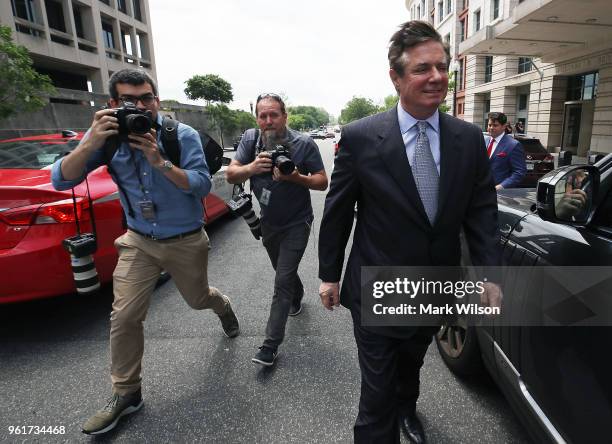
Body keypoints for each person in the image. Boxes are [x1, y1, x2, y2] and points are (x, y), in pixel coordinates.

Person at [317, 21, 502, 443]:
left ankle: (408, 409)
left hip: (435, 286)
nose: (436, 77)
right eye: (422, 69)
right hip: (377, 287)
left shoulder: (468, 139)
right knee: (375, 395)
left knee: (411, 365)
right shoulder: (362, 137)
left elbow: (481, 213)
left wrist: (489, 275)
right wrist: (329, 274)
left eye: (442, 67)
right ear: (396, 78)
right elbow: (338, 210)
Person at [51, 68, 240, 435]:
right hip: (138, 240)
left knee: (198, 298)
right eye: (128, 100)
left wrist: (160, 162)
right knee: (124, 316)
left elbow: (201, 185)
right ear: (113, 104)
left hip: (185, 239)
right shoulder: (106, 138)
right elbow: (61, 179)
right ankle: (127, 393)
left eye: (146, 99)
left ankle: (222, 305)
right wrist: (89, 143)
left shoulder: (178, 135)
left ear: (156, 99)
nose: (139, 106)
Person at [225, 93, 328, 366]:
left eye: (274, 114)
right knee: (283, 272)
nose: (268, 121)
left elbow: (321, 182)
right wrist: (251, 167)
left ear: (285, 116)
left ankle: (270, 346)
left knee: (281, 279)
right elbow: (230, 175)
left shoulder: (303, 144)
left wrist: (295, 177)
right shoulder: (250, 140)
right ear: (257, 118)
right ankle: (296, 295)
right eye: (263, 115)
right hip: (268, 223)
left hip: (298, 222)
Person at [485, 112, 527, 190]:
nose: (491, 128)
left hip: (501, 194)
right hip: (481, 190)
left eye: (495, 125)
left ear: (504, 126)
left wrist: (501, 186)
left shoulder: (513, 145)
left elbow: (519, 172)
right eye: (489, 125)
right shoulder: (484, 141)